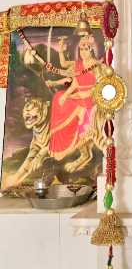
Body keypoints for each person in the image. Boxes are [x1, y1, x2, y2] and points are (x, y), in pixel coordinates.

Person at [46, 34, 102, 171]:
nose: (83, 52)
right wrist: (66, 95)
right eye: (81, 50)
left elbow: (100, 84)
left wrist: (89, 93)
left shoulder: (96, 65)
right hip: (78, 95)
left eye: (86, 49)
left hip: (90, 97)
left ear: (91, 50)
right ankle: (62, 140)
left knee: (75, 108)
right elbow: (73, 79)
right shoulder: (78, 65)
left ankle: (80, 135)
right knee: (58, 97)